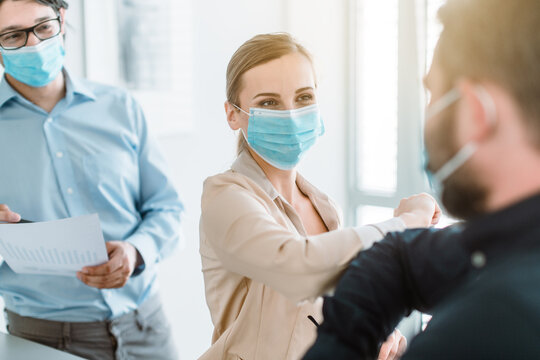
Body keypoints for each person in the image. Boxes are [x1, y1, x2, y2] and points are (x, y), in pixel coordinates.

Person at [303, 0, 540, 358]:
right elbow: (399, 258)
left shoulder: (482, 329)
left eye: (433, 94)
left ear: (477, 112)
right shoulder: (508, 244)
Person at [198, 33, 440, 360]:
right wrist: (405, 223)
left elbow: (318, 311)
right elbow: (298, 268)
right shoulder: (224, 197)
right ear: (233, 114)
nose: (292, 115)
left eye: (303, 97)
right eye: (269, 102)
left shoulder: (325, 207)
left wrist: (370, 330)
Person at [0, 1, 183, 359]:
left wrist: (136, 250)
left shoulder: (120, 107)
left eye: (43, 27)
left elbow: (167, 207)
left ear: (62, 19)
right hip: (45, 342)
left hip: (148, 328)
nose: (34, 44)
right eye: (13, 35)